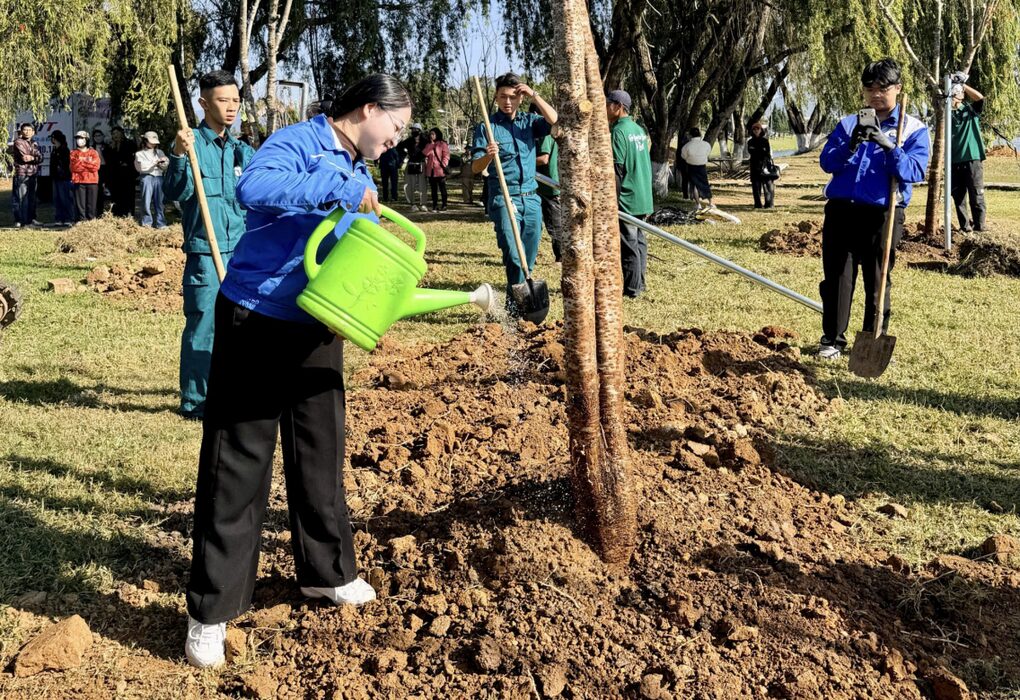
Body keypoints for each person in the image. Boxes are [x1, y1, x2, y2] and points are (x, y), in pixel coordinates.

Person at [183, 72, 410, 670]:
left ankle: (326, 573)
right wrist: (336, 183)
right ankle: (211, 610)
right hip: (257, 315)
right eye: (395, 127)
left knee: (320, 451)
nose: (397, 140)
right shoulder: (297, 143)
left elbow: (351, 247)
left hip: (316, 323)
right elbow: (253, 188)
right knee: (239, 460)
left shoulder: (360, 171)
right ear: (367, 109)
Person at [816, 58, 930, 360]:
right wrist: (851, 144)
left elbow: (914, 171)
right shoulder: (849, 123)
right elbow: (828, 163)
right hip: (842, 209)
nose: (876, 94)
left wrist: (889, 145)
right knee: (838, 276)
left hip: (883, 212)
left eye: (883, 88)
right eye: (869, 88)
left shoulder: (913, 129)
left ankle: (871, 340)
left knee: (878, 278)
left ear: (898, 89)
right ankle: (832, 339)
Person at [164, 69, 255, 421]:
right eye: (223, 100)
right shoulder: (191, 145)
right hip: (205, 251)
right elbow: (175, 192)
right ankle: (196, 401)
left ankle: (234, 391)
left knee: (244, 326)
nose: (231, 107)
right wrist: (177, 153)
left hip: (242, 253)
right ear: (203, 103)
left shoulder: (241, 151)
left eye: (235, 100)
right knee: (204, 325)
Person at [472, 72, 558, 313]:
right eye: (502, 97)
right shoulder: (486, 127)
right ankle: (518, 307)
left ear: (519, 98)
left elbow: (555, 121)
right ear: (496, 98)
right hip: (503, 196)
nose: (507, 102)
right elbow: (475, 167)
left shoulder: (529, 122)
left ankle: (516, 306)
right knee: (512, 254)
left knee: (528, 257)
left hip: (531, 198)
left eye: (512, 97)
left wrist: (534, 95)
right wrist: (488, 156)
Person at [607, 90, 654, 297]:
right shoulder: (638, 129)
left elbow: (617, 169)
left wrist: (613, 201)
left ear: (618, 106)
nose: (605, 108)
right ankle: (640, 284)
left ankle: (632, 289)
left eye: (608, 104)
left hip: (627, 195)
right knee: (640, 242)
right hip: (643, 195)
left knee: (628, 244)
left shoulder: (618, 131)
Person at [949, 73, 987, 232]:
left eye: (957, 94)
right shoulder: (946, 114)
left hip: (972, 158)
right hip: (954, 160)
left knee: (976, 194)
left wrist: (962, 85)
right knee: (958, 197)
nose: (955, 96)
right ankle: (965, 227)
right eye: (953, 93)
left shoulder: (970, 110)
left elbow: (980, 98)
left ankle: (980, 227)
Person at [531, 103, 562, 263]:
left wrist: (524, 160)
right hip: (541, 185)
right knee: (536, 222)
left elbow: (544, 159)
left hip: (548, 185)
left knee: (554, 223)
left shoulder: (545, 133)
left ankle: (561, 256)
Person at [9, 123, 43, 228]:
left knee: (32, 198)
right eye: (25, 130)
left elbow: (40, 158)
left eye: (29, 130)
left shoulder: (35, 143)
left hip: (32, 173)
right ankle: (24, 222)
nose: (27, 132)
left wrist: (33, 157)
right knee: (23, 199)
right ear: (21, 131)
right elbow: (25, 157)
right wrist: (34, 157)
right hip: (22, 174)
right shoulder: (19, 142)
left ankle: (31, 219)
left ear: (33, 132)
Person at [134, 131, 169, 228]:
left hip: (159, 177)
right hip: (146, 177)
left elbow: (165, 167)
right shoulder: (139, 154)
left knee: (160, 201)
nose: (153, 143)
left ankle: (160, 222)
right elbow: (141, 168)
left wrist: (164, 163)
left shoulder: (160, 152)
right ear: (145, 141)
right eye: (151, 141)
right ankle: (146, 222)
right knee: (146, 201)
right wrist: (155, 162)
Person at [70, 131, 101, 221]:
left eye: (81, 138)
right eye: (77, 138)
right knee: (80, 205)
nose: (79, 140)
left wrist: (81, 161)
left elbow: (95, 166)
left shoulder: (93, 152)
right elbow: (74, 167)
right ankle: (81, 222)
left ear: (86, 139)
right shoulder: (73, 153)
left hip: (92, 181)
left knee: (91, 205)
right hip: (79, 181)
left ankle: (91, 222)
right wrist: (87, 162)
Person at [106, 127, 137, 217]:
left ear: (121, 133)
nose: (115, 135)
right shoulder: (111, 145)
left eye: (117, 133)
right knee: (116, 195)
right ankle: (116, 214)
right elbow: (108, 159)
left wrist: (126, 163)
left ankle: (129, 213)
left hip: (127, 175)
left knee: (128, 195)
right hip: (115, 175)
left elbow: (133, 157)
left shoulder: (129, 143)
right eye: (113, 134)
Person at [397, 123, 428, 210]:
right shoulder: (408, 141)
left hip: (421, 163)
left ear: (420, 131)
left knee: (422, 185)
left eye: (416, 129)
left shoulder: (425, 141)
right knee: (408, 184)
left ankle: (423, 204)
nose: (414, 131)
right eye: (412, 129)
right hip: (411, 163)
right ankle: (412, 204)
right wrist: (405, 154)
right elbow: (399, 147)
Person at [680, 128, 713, 209]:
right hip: (702, 167)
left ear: (690, 135)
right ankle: (710, 203)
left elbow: (683, 156)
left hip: (691, 167)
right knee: (705, 184)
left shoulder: (687, 146)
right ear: (700, 135)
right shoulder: (706, 144)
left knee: (694, 185)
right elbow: (707, 153)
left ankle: (698, 204)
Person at [747, 122, 775, 209]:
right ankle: (758, 204)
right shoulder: (750, 141)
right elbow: (751, 151)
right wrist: (760, 150)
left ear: (761, 130)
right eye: (754, 129)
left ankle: (769, 204)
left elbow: (767, 152)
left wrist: (759, 151)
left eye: (758, 129)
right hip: (754, 166)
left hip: (765, 166)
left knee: (768, 186)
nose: (756, 131)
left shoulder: (765, 141)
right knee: (756, 187)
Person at [49, 130, 74, 226]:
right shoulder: (55, 149)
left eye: (53, 138)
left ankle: (68, 218)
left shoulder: (64, 150)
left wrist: (63, 174)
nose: (52, 140)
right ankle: (59, 218)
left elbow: (65, 165)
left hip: (64, 178)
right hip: (56, 178)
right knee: (57, 199)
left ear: (55, 139)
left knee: (65, 198)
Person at [423, 127, 450, 212]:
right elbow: (425, 153)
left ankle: (444, 204)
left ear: (437, 134)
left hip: (440, 171)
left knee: (442, 188)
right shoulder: (428, 144)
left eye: (433, 134)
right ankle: (435, 205)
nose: (431, 136)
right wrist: (431, 145)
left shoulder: (442, 144)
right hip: (431, 171)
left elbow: (446, 156)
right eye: (430, 134)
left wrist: (444, 164)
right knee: (433, 190)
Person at [92, 128, 109, 215]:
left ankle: (106, 211)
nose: (97, 138)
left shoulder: (107, 146)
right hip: (95, 170)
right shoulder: (91, 147)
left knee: (105, 190)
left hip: (105, 169)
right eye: (95, 136)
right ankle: (97, 211)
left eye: (99, 135)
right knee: (97, 191)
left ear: (103, 136)